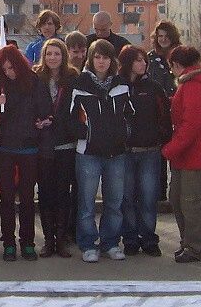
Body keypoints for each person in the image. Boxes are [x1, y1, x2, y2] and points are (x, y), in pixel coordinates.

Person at [70, 39, 134, 263]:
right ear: (90, 59)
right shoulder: (80, 84)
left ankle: (111, 243)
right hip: (88, 153)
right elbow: (70, 118)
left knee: (114, 202)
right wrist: (86, 133)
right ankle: (88, 244)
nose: (101, 61)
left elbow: (130, 114)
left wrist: (124, 133)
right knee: (86, 203)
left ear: (111, 60)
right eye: (97, 57)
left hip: (116, 153)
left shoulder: (121, 85)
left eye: (105, 57)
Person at [0, 45, 51, 262]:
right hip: (4, 147)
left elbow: (45, 110)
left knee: (27, 198)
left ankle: (27, 242)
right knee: (6, 198)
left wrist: (43, 122)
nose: (9, 72)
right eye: (5, 69)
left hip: (28, 147)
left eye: (12, 67)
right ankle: (8, 242)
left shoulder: (34, 82)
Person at [162, 45, 201, 263]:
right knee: (177, 198)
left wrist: (170, 149)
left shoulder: (192, 86)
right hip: (189, 153)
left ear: (177, 65)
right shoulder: (192, 84)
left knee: (189, 201)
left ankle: (195, 247)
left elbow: (191, 125)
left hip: (194, 153)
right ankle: (189, 242)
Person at [118, 45, 172, 257]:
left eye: (144, 60)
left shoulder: (154, 88)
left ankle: (149, 238)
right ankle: (130, 239)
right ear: (128, 62)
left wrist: (161, 138)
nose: (143, 64)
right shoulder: (118, 86)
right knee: (127, 199)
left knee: (148, 198)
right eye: (138, 60)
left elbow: (164, 116)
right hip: (125, 151)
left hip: (150, 151)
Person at [33, 38, 80, 258]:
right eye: (49, 54)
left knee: (63, 193)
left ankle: (61, 239)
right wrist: (37, 121)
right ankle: (48, 240)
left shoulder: (72, 78)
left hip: (65, 144)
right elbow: (31, 106)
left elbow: (77, 110)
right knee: (45, 193)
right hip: (43, 145)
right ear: (43, 56)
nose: (53, 58)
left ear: (63, 56)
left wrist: (57, 122)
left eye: (57, 54)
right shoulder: (36, 77)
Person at [147, 20, 181, 201]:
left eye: (166, 36)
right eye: (160, 36)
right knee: (159, 156)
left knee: (178, 154)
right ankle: (160, 194)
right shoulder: (151, 58)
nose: (163, 39)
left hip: (178, 108)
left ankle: (176, 192)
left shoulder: (181, 55)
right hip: (157, 112)